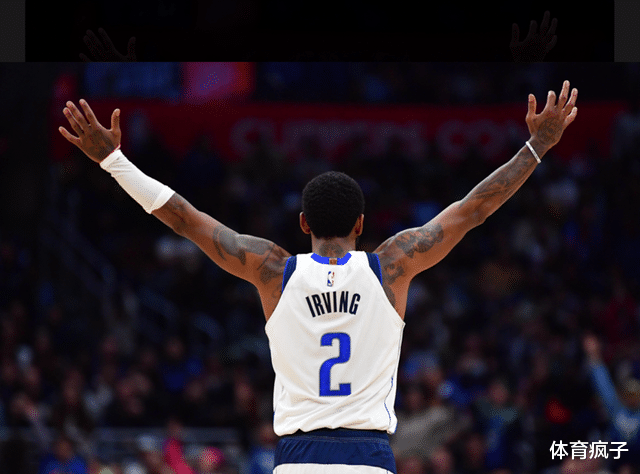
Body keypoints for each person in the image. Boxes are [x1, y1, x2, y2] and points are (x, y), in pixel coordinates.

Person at [59, 80, 578, 473]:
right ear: (361, 225)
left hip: (298, 458)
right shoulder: (392, 265)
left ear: (303, 223)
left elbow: (185, 219)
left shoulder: (272, 270)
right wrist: (535, 148)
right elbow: (472, 210)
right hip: (368, 457)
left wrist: (114, 161)